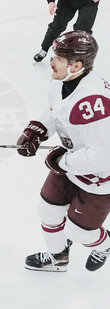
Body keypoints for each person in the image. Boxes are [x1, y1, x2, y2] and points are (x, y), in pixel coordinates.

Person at [17, 31, 110, 273]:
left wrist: (63, 161)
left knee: (78, 232)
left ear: (77, 65)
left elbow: (103, 155)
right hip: (72, 160)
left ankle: (107, 244)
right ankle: (57, 258)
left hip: (101, 176)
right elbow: (56, 111)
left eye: (58, 58)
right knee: (47, 210)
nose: (51, 61)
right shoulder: (61, 81)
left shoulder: (94, 101)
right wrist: (38, 129)